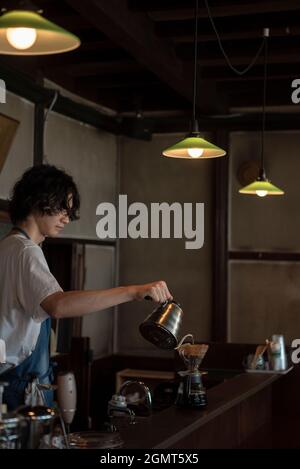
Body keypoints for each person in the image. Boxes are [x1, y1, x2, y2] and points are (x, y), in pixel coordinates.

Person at [0, 164, 172, 410]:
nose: (66, 218)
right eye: (62, 207)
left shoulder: (7, 246)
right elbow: (58, 305)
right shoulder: (27, 251)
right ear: (37, 200)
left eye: (69, 211)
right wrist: (133, 291)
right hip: (21, 388)